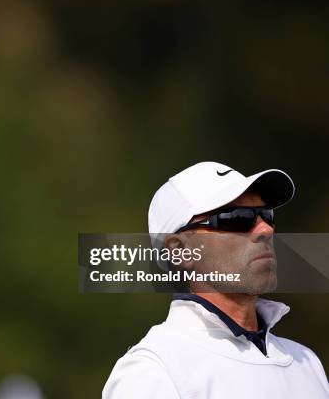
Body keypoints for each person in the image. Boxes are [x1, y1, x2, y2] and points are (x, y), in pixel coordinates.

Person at [103, 161, 329, 398]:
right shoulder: (155, 369)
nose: (265, 230)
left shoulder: (306, 361)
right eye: (237, 218)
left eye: (266, 215)